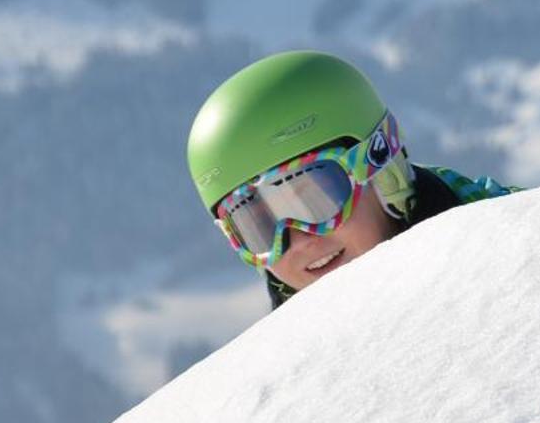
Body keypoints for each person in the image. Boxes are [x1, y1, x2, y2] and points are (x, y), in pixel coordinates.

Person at [186, 50, 513, 308]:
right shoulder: (292, 369)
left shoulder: (524, 254)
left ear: (386, 175)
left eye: (313, 200)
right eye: (257, 227)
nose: (299, 241)